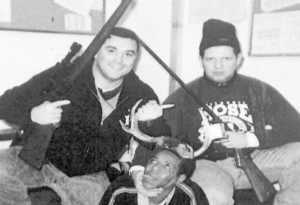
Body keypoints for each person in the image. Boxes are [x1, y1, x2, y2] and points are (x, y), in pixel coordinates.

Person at [0, 27, 169, 205]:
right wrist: (34, 114)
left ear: (135, 59)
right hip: (40, 164)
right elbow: (5, 103)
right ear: (96, 52)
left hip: (92, 179)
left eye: (128, 54)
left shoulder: (141, 93)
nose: (119, 60)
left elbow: (161, 139)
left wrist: (152, 122)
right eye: (111, 51)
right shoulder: (65, 74)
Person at [163, 19, 300, 205]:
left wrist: (250, 139)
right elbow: (166, 139)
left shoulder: (259, 90)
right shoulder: (182, 96)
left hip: (257, 158)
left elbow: (295, 127)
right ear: (200, 60)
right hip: (210, 165)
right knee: (212, 195)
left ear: (238, 59)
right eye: (211, 59)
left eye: (226, 58)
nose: (218, 66)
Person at [99, 147, 209, 205]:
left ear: (179, 178)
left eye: (166, 166)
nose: (154, 168)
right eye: (153, 161)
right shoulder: (121, 190)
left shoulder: (190, 195)